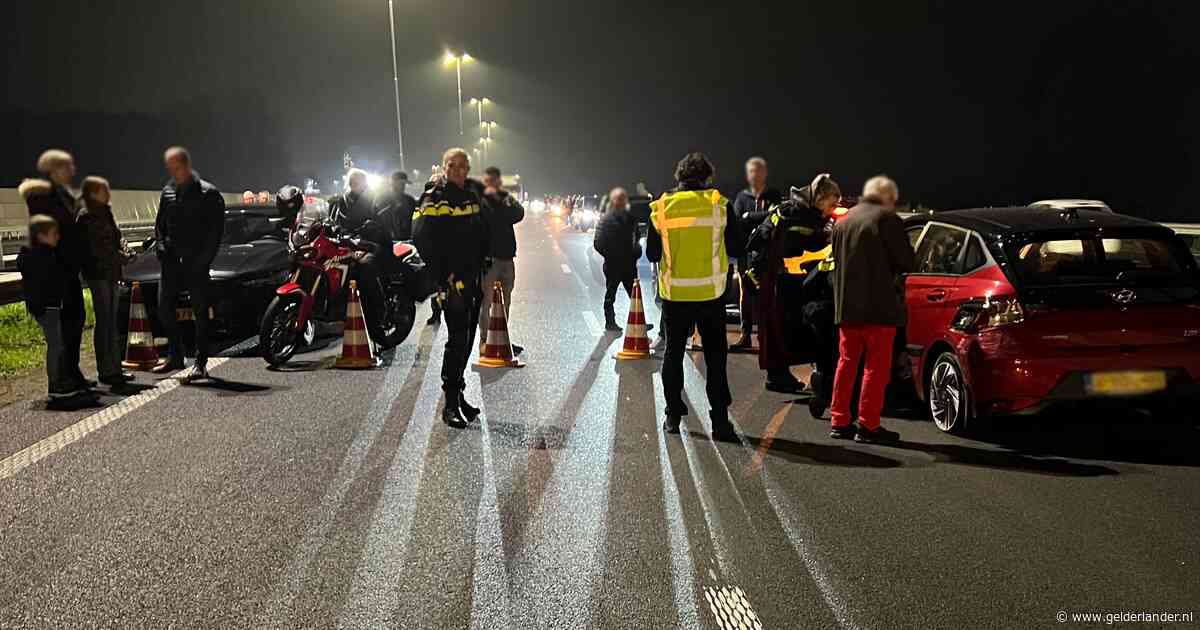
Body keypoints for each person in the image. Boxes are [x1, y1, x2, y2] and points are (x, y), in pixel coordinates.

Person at [646, 153, 744, 440]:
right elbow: (737, 246)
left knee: (674, 354)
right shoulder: (720, 205)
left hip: (675, 297)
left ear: (679, 178)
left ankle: (673, 416)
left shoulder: (661, 208)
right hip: (711, 296)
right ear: (706, 178)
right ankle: (720, 423)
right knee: (715, 358)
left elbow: (652, 254)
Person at [829, 175, 914, 444]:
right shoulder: (887, 220)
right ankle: (868, 425)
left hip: (847, 307)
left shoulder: (843, 221)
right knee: (875, 368)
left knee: (846, 363)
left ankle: (839, 420)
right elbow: (906, 260)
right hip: (879, 308)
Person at [413, 148, 490, 428]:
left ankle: (460, 395)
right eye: (453, 165)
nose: (459, 170)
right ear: (444, 167)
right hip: (451, 281)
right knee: (457, 339)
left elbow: (480, 231)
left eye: (463, 166)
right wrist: (444, 276)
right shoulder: (435, 196)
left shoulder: (471, 194)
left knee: (468, 337)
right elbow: (423, 239)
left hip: (472, 278)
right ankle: (450, 404)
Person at [746, 174, 841, 394]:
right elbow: (797, 245)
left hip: (780, 276)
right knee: (778, 325)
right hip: (774, 277)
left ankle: (779, 374)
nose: (833, 208)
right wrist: (824, 238)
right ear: (820, 198)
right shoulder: (797, 215)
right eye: (832, 203)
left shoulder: (801, 213)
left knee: (781, 326)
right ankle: (777, 376)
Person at [153, 146, 226, 380]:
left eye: (177, 167)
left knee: (200, 312)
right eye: (170, 167)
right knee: (164, 308)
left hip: (196, 262)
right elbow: (159, 225)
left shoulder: (208, 193)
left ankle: (200, 361)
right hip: (171, 261)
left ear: (186, 165)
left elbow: (215, 233)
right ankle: (176, 355)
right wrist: (161, 247)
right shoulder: (168, 191)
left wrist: (202, 260)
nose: (173, 172)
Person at [25, 150, 91, 390]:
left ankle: (72, 373)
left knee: (75, 321)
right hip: (57, 270)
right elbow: (48, 232)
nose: (72, 170)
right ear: (53, 170)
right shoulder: (42, 197)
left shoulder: (63, 196)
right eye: (67, 166)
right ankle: (63, 378)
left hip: (69, 269)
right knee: (65, 327)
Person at [17, 213, 98, 410]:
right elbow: (46, 282)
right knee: (56, 346)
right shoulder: (40, 256)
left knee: (58, 345)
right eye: (54, 234)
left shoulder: (36, 254)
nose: (58, 237)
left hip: (48, 305)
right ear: (41, 235)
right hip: (48, 306)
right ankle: (57, 388)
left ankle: (60, 384)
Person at [78, 176, 135, 387]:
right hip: (98, 274)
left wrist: (124, 251)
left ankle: (114, 367)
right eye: (104, 189)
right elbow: (97, 250)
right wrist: (122, 257)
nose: (108, 192)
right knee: (104, 322)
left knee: (111, 321)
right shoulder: (87, 216)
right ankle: (107, 370)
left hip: (111, 273)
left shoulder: (105, 212)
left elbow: (115, 238)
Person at [329, 168, 391, 344]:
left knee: (365, 270)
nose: (353, 183)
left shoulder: (374, 200)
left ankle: (377, 318)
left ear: (364, 182)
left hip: (370, 244)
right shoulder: (340, 200)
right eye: (351, 180)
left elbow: (382, 223)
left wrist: (371, 231)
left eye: (357, 180)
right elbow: (332, 221)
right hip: (346, 244)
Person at [731, 157, 783, 350]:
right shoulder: (741, 198)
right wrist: (758, 218)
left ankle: (765, 336)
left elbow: (775, 216)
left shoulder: (773, 195)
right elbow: (737, 222)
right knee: (745, 294)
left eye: (759, 170)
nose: (755, 174)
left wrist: (749, 217)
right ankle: (745, 334)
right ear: (748, 174)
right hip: (746, 253)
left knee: (766, 295)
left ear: (765, 173)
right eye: (752, 171)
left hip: (767, 253)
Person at [477, 166, 525, 354]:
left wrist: (505, 199)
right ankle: (484, 341)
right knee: (487, 302)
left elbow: (519, 214)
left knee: (506, 302)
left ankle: (502, 338)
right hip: (489, 260)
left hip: (507, 258)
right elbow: (488, 220)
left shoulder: (505, 199)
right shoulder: (480, 201)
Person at [593, 187, 643, 330]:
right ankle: (610, 322)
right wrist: (610, 255)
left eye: (623, 199)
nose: (621, 202)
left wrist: (635, 252)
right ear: (614, 201)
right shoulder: (606, 220)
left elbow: (636, 238)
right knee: (610, 295)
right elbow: (598, 243)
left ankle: (640, 323)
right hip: (613, 265)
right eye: (619, 199)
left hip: (629, 265)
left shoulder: (631, 219)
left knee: (635, 296)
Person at [376, 170, 417, 242]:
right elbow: (379, 219)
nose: (403, 186)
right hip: (388, 241)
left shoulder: (410, 200)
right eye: (401, 183)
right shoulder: (382, 199)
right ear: (393, 183)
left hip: (408, 240)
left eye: (404, 184)